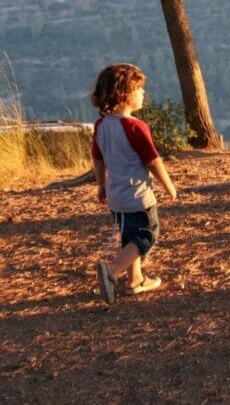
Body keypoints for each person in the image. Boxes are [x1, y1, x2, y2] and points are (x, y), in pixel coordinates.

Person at [90, 63, 177, 305]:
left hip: (116, 197)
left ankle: (135, 280)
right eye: (139, 89)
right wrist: (169, 186)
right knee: (147, 236)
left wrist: (101, 186)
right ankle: (112, 270)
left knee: (129, 236)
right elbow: (153, 161)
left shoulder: (101, 126)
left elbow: (97, 159)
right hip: (137, 196)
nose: (143, 93)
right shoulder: (135, 127)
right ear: (125, 95)